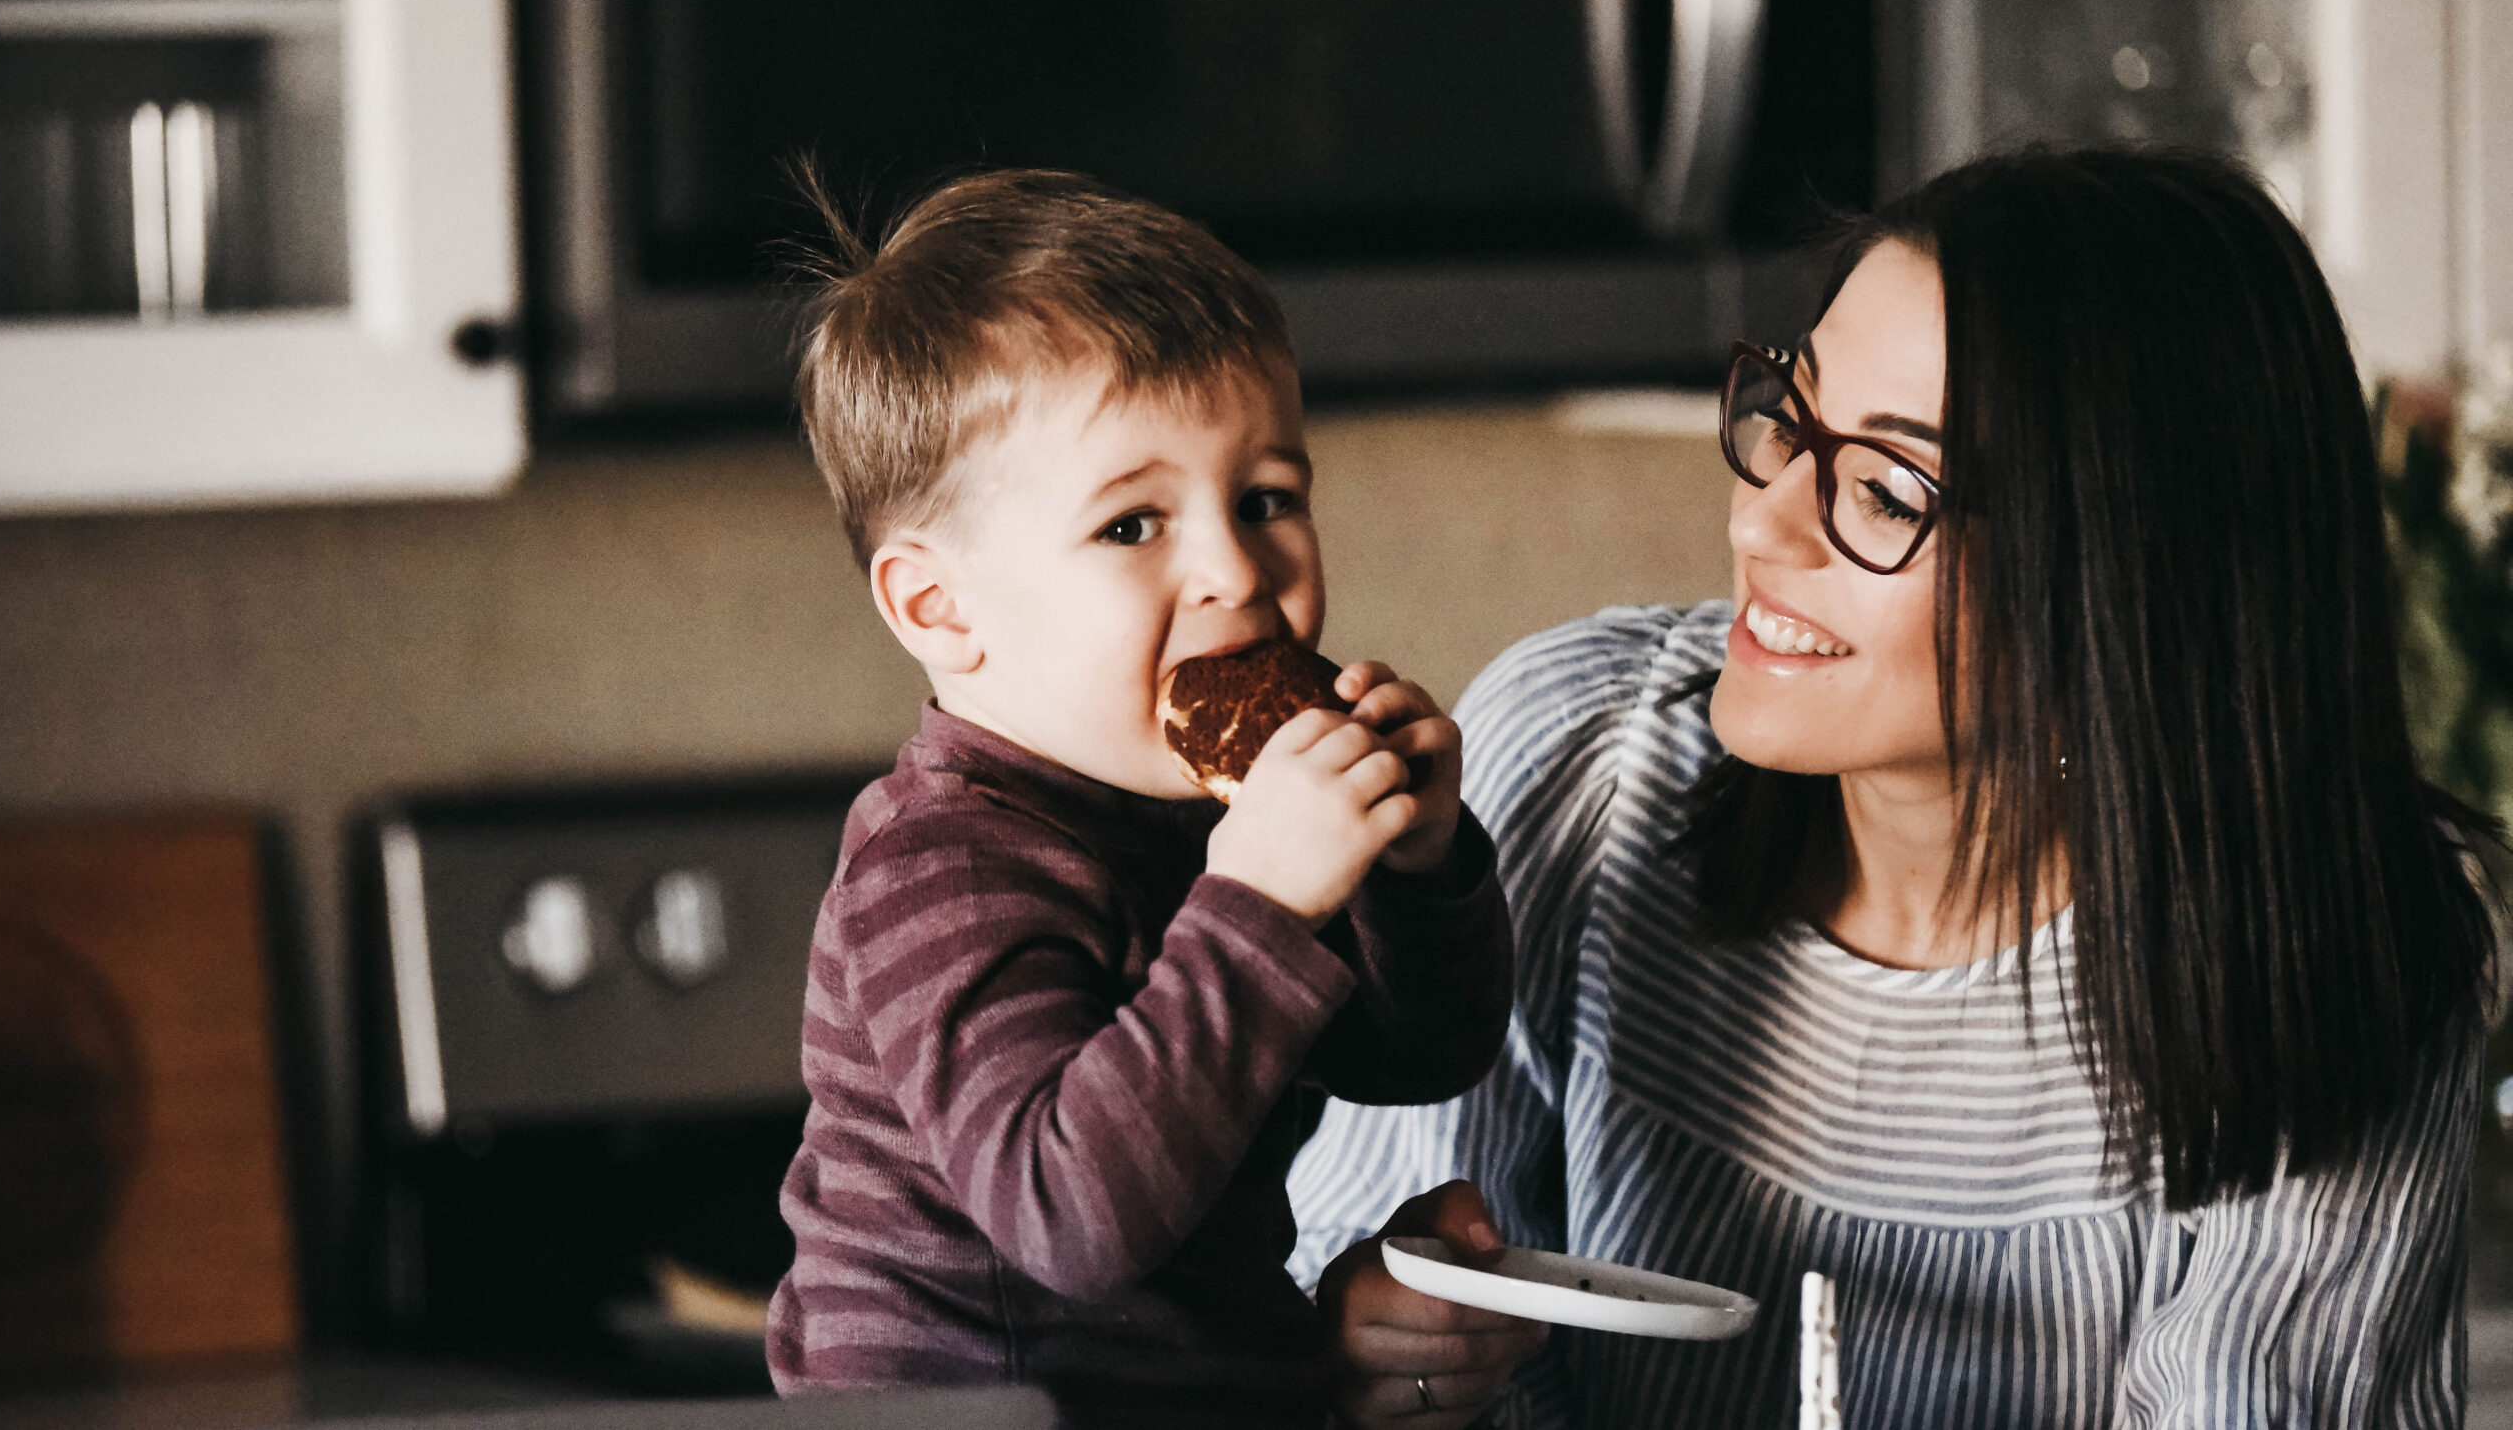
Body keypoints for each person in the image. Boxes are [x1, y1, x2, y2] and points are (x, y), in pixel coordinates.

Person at [1289, 145, 2500, 1428]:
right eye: (1788, 416)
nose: (1763, 522)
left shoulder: (2334, 956)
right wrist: (1371, 1345)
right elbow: (1336, 1269)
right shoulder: (1576, 759)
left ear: (2132, 582)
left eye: (1881, 488)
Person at [767, 167, 1515, 1427]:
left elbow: (1416, 1054)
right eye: (1131, 525)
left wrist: (1416, 862)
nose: (1237, 566)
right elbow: (1069, 1213)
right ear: (937, 607)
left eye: (1268, 498)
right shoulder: (941, 865)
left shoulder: (1202, 809)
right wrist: (1263, 898)